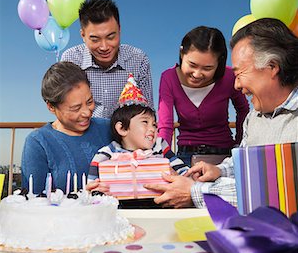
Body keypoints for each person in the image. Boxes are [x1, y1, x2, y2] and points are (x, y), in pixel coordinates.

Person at [145, 18, 298, 208]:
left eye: (240, 73)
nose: (236, 84)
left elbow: (275, 191)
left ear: (272, 67)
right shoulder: (255, 119)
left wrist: (194, 192)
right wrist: (219, 170)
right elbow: (243, 163)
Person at [87, 74, 189, 206]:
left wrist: (181, 178)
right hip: (121, 209)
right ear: (122, 129)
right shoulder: (107, 154)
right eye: (145, 122)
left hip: (160, 205)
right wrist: (96, 191)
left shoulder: (160, 146)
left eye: (154, 124)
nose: (152, 129)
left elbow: (184, 173)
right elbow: (92, 185)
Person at [158, 26, 249, 166]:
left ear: (219, 63)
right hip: (185, 157)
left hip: (225, 157)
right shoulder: (168, 78)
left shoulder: (229, 77)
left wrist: (239, 146)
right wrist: (162, 159)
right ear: (182, 54)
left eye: (207, 68)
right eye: (192, 65)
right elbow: (165, 126)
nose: (197, 74)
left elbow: (243, 110)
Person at [21, 62, 111, 194]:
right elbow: (34, 202)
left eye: (90, 102)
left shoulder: (108, 128)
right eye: (76, 108)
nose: (87, 112)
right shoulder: (38, 143)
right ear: (51, 107)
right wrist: (80, 198)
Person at [61, 0, 154, 118]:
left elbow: (147, 113)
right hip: (83, 134)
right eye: (95, 39)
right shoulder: (71, 60)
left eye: (111, 37)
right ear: (83, 35)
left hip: (126, 135)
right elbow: (66, 111)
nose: (104, 47)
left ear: (119, 30)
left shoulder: (138, 60)